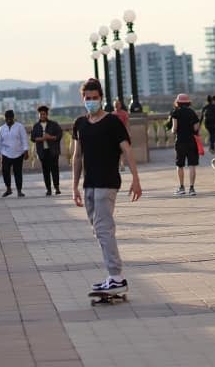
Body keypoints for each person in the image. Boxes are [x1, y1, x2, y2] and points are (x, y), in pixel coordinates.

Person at [72, 78, 142, 294]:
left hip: (107, 183)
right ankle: (113, 276)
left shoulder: (112, 122)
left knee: (104, 229)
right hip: (89, 184)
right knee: (98, 229)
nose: (91, 102)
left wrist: (136, 179)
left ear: (101, 99)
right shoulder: (80, 124)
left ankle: (116, 276)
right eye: (87, 98)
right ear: (83, 99)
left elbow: (127, 150)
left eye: (95, 98)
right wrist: (74, 186)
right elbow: (77, 157)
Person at [171, 93, 200, 196]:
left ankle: (182, 187)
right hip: (191, 141)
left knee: (180, 164)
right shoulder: (192, 112)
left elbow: (174, 128)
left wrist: (173, 131)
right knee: (192, 165)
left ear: (178, 102)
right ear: (188, 102)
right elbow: (196, 127)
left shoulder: (176, 113)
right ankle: (192, 188)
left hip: (180, 141)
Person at [0, 110, 29, 197]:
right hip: (6, 154)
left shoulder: (19, 127)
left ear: (13, 117)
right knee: (5, 171)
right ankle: (8, 189)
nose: (9, 119)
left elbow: (24, 139)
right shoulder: (1, 128)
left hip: (18, 153)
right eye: (7, 118)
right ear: (5, 118)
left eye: (10, 118)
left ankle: (19, 190)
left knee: (18, 172)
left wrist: (26, 151)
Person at [31, 105, 63, 196]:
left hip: (53, 151)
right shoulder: (36, 126)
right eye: (40, 114)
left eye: (44, 114)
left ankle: (57, 188)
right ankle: (48, 189)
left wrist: (50, 137)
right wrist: (41, 139)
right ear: (39, 115)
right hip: (42, 152)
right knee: (45, 171)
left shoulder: (54, 124)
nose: (42, 116)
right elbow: (33, 138)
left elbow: (59, 135)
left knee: (55, 170)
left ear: (47, 114)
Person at [111, 98, 130, 171]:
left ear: (120, 105)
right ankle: (118, 164)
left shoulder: (124, 113)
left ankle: (122, 164)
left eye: (117, 104)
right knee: (116, 151)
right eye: (115, 104)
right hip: (114, 134)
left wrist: (128, 132)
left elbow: (127, 124)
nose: (116, 106)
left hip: (122, 133)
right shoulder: (112, 114)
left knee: (122, 150)